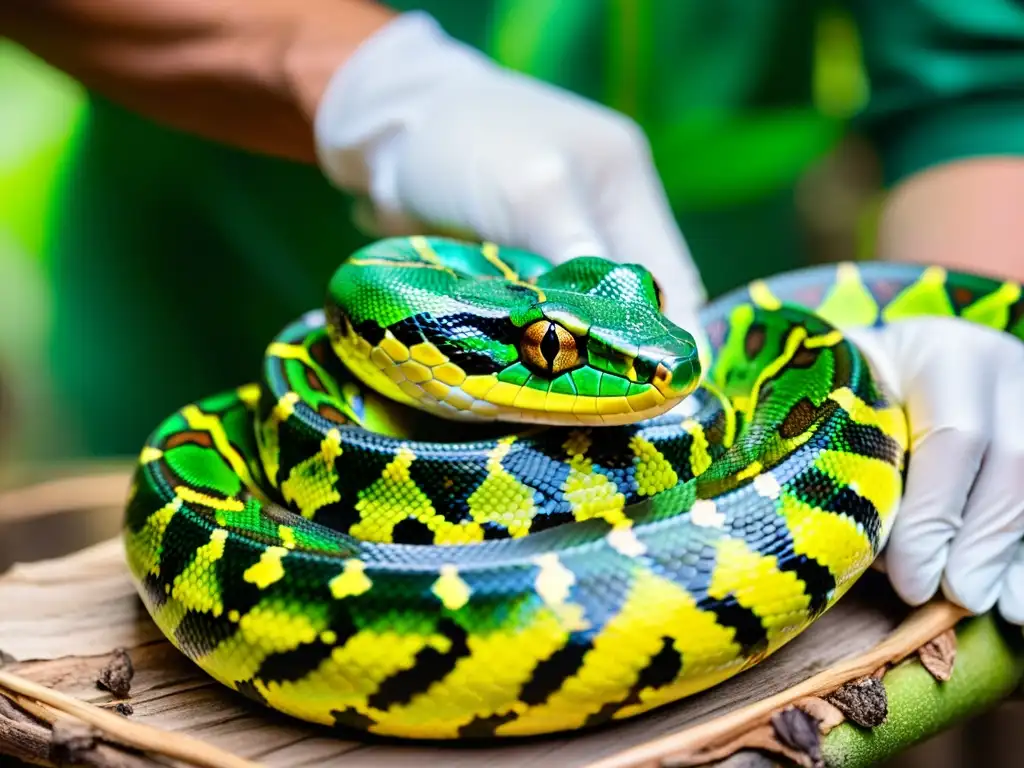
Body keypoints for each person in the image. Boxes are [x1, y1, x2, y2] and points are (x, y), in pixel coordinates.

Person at [2, 1, 1022, 629]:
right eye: (545, 352)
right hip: (197, 276)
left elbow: (981, 85)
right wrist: (376, 86)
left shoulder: (636, 352)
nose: (652, 372)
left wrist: (967, 381)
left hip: (717, 273)